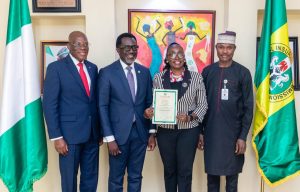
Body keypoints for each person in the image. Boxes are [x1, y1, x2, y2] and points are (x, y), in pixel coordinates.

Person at [43, 31, 102, 191]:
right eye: (78, 44)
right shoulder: (56, 68)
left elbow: (95, 102)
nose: (83, 47)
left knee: (90, 179)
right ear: (69, 46)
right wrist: (57, 137)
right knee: (69, 181)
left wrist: (100, 132)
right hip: (68, 138)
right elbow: (49, 104)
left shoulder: (92, 68)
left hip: (92, 135)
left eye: (85, 44)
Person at [145, 42, 208, 192]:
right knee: (169, 171)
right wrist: (150, 111)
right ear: (166, 58)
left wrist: (190, 117)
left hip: (188, 132)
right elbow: (155, 104)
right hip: (165, 132)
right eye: (172, 54)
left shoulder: (196, 78)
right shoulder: (159, 78)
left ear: (185, 58)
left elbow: (203, 105)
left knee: (185, 172)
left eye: (180, 53)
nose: (176, 57)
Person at [98, 32, 156, 192]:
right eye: (127, 47)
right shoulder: (107, 72)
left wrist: (151, 132)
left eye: (134, 47)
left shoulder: (144, 72)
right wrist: (109, 138)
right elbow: (102, 106)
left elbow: (150, 102)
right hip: (117, 136)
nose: (132, 51)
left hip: (140, 134)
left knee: (136, 176)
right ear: (118, 50)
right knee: (116, 179)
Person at [200, 31, 254, 192]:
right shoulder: (207, 72)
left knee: (232, 181)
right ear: (216, 48)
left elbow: (248, 107)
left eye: (229, 48)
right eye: (222, 47)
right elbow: (200, 104)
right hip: (211, 135)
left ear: (234, 49)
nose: (225, 51)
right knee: (212, 181)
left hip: (233, 136)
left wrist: (242, 136)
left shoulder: (243, 73)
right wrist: (200, 132)